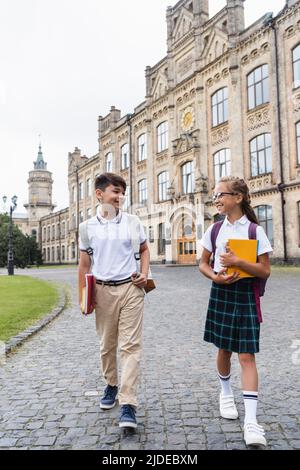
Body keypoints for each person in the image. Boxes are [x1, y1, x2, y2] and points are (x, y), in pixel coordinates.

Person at [199, 176, 273, 447]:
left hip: (245, 295)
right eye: (214, 196)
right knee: (223, 349)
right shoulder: (215, 230)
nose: (216, 199)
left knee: (247, 355)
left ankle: (251, 422)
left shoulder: (255, 231)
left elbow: (265, 270)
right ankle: (226, 393)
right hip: (221, 292)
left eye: (221, 195)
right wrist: (214, 277)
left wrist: (238, 261)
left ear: (238, 198)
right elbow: (203, 263)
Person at [78, 172, 150, 429]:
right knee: (107, 345)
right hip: (102, 290)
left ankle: (128, 403)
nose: (119, 197)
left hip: (131, 289)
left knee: (130, 346)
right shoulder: (87, 228)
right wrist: (83, 296)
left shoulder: (132, 222)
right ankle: (111, 384)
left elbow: (143, 249)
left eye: (122, 192)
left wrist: (144, 274)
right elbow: (85, 262)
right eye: (114, 192)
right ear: (99, 194)